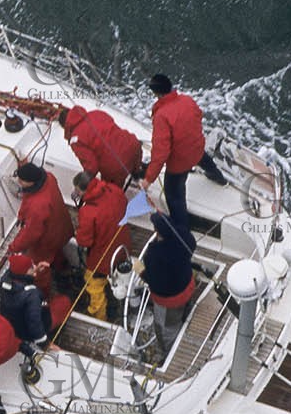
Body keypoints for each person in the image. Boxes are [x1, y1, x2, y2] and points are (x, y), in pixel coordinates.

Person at [143, 73, 226, 227]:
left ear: (157, 94)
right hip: (197, 149)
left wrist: (148, 179)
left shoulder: (161, 116)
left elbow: (160, 154)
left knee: (174, 196)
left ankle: (181, 228)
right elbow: (199, 115)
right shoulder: (187, 100)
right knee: (205, 161)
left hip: (179, 164)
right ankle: (220, 179)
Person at [71, 171, 131, 319]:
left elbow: (85, 241)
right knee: (119, 278)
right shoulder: (115, 190)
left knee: (94, 287)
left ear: (83, 190)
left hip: (102, 259)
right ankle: (118, 301)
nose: (75, 193)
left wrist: (78, 231)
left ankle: (99, 317)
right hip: (123, 246)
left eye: (77, 190)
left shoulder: (88, 212)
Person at [9, 162, 74, 294]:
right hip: (62, 228)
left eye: (22, 180)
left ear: (31, 182)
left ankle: (44, 294)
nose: (19, 182)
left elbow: (32, 233)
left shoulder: (37, 206)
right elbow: (29, 199)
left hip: (47, 240)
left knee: (40, 269)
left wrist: (14, 247)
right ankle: (65, 272)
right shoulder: (49, 177)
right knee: (57, 253)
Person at [140, 211, 198, 353]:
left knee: (166, 330)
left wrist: (140, 271)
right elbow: (192, 244)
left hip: (170, 301)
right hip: (187, 286)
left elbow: (153, 281)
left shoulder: (154, 254)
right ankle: (185, 317)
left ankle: (168, 352)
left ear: (157, 231)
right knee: (183, 310)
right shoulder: (183, 235)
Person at [59, 105, 143, 188]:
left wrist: (83, 184)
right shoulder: (96, 113)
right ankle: (137, 173)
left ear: (65, 126)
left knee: (111, 193)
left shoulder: (75, 139)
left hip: (116, 166)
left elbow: (92, 167)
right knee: (131, 162)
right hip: (134, 145)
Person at [0, 253, 52, 355]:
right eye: (31, 267)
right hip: (28, 333)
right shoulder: (32, 295)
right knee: (64, 302)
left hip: (12, 324)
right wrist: (45, 344)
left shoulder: (4, 281)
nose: (35, 267)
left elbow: (22, 275)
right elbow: (34, 322)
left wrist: (33, 272)